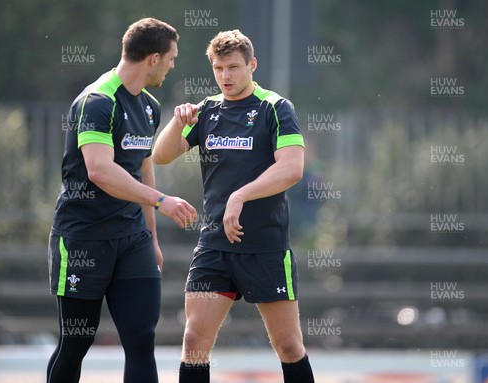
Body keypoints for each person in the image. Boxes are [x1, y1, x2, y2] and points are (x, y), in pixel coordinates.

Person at [153, 30, 316, 383]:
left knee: (288, 346)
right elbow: (162, 156)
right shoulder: (207, 111)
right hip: (214, 246)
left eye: (234, 67)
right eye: (218, 68)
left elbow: (291, 168)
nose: (225, 76)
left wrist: (239, 196)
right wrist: (177, 122)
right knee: (194, 340)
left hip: (265, 247)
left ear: (252, 65)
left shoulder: (275, 108)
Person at [47, 17, 197, 383]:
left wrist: (152, 237)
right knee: (76, 342)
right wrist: (163, 201)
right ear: (153, 59)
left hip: (132, 240)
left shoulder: (149, 106)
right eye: (171, 58)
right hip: (84, 238)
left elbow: (144, 169)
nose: (173, 65)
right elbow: (100, 170)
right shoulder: (98, 101)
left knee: (141, 339)